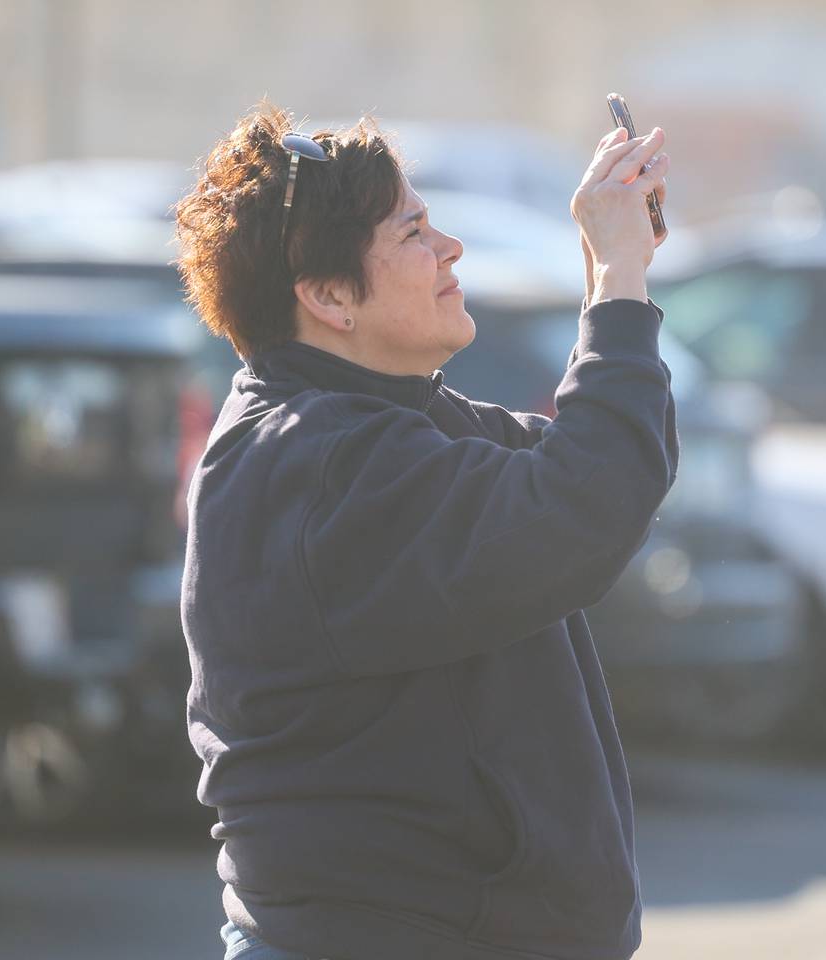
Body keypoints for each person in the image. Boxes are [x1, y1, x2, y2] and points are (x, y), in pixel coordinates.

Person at [174, 102, 676, 960]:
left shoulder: (377, 423)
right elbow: (586, 504)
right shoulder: (320, 461)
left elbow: (594, 477)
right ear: (329, 296)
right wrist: (618, 281)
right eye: (413, 234)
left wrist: (609, 270)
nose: (450, 250)